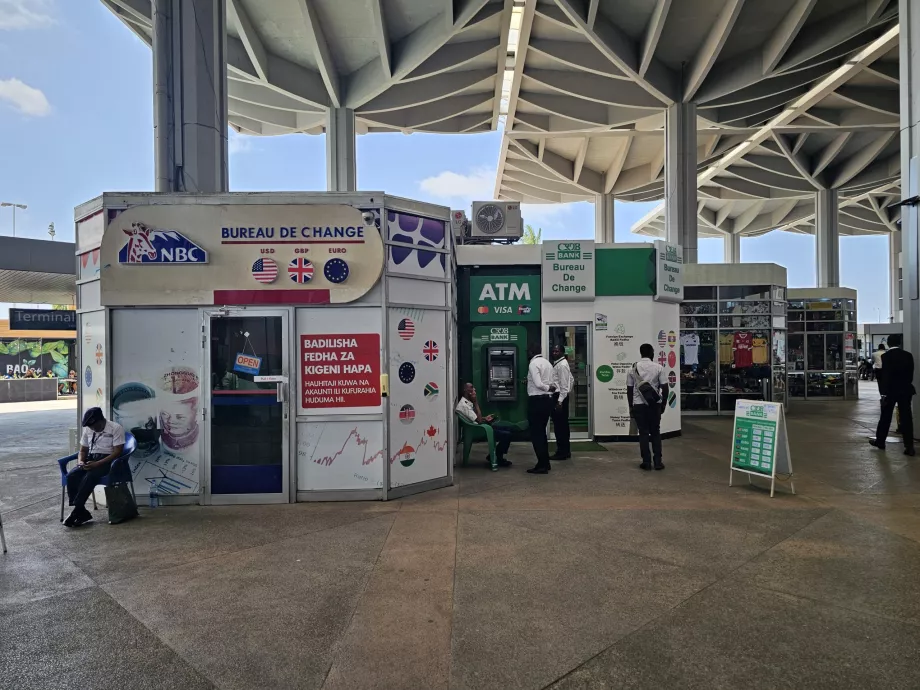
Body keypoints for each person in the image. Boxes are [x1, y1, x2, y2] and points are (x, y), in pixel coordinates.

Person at [64, 407, 126, 527]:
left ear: (101, 420)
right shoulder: (88, 430)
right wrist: (81, 461)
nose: (93, 429)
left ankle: (77, 510)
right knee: (72, 475)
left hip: (107, 461)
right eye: (91, 427)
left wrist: (98, 463)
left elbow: (118, 451)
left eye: (95, 426)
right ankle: (80, 509)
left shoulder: (115, 428)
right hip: (90, 459)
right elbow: (83, 450)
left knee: (90, 476)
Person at [869, 334, 915, 457]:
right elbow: (911, 375)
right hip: (905, 390)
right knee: (906, 418)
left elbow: (886, 377)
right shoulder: (908, 355)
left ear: (888, 344)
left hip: (890, 391)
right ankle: (909, 446)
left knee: (885, 416)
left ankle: (880, 441)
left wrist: (883, 393)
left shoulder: (886, 357)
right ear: (900, 343)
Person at [626, 343, 669, 471]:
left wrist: (630, 406)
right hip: (654, 405)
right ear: (651, 353)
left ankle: (646, 462)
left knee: (643, 433)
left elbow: (629, 389)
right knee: (655, 432)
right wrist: (663, 404)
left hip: (638, 405)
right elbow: (665, 388)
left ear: (641, 353)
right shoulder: (658, 368)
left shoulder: (632, 369)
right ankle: (658, 462)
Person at [455, 383, 513, 467]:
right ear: (466, 391)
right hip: (478, 430)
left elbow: (475, 418)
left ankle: (496, 455)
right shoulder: (464, 405)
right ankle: (498, 457)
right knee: (507, 435)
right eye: (471, 388)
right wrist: (476, 403)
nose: (474, 390)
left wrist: (485, 418)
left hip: (478, 425)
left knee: (508, 429)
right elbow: (478, 420)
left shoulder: (466, 403)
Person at [526, 344, 556, 474]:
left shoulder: (533, 364)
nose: (527, 354)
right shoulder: (547, 363)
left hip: (537, 401)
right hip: (547, 401)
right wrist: (550, 388)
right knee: (542, 433)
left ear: (532, 352)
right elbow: (553, 381)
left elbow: (538, 384)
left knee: (536, 434)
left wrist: (547, 388)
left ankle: (542, 465)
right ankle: (545, 462)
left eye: (528, 352)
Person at [550, 345, 573, 460]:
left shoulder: (562, 365)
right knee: (561, 426)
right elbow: (571, 379)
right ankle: (564, 451)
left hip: (560, 398)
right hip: (561, 397)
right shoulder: (559, 363)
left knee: (561, 427)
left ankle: (562, 452)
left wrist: (560, 401)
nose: (554, 353)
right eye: (553, 351)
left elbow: (564, 385)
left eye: (557, 351)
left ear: (562, 352)